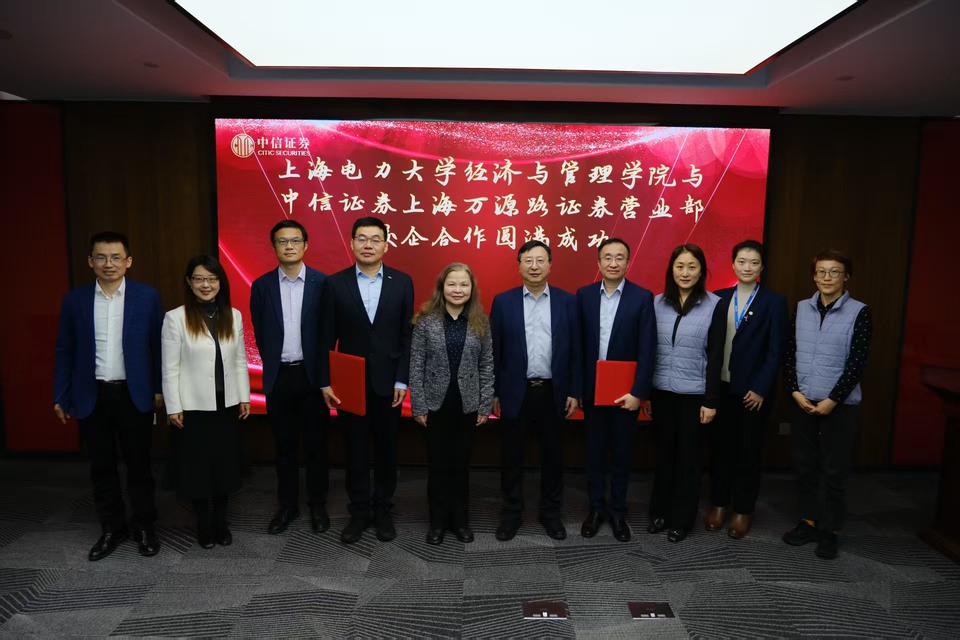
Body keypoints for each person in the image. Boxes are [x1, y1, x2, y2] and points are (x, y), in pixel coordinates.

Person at [54, 231, 164, 561]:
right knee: (101, 467)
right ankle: (112, 528)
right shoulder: (75, 300)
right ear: (91, 262)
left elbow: (159, 347)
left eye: (116, 257)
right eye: (101, 257)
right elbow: (65, 350)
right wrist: (61, 395)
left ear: (128, 261)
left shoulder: (147, 297)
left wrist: (160, 389)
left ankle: (144, 526)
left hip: (134, 395)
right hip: (92, 395)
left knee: (140, 466)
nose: (109, 264)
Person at [320, 217, 414, 545]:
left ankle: (383, 511)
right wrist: (326, 381)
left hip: (389, 384)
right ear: (351, 244)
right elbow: (326, 337)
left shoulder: (403, 282)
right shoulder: (335, 284)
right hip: (349, 385)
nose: (368, 245)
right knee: (356, 450)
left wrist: (402, 380)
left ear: (386, 245)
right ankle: (359, 512)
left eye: (375, 239)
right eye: (362, 238)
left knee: (387, 450)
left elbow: (406, 336)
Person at [782, 249, 872, 560]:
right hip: (803, 401)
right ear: (814, 276)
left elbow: (857, 362)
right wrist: (794, 391)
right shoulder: (801, 308)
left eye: (834, 272)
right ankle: (807, 521)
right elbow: (789, 352)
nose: (827, 277)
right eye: (821, 271)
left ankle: (831, 531)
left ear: (846, 277)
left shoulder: (860, 312)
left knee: (835, 470)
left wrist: (833, 400)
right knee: (805, 465)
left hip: (839, 405)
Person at [490, 240, 580, 541]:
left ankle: (550, 513)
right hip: (515, 391)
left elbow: (576, 351)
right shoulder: (503, 302)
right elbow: (494, 351)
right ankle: (511, 513)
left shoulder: (568, 302)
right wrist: (494, 392)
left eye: (540, 260)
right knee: (511, 456)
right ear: (519, 266)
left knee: (553, 457)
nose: (534, 266)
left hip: (554, 391)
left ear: (550, 265)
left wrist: (574, 391)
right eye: (528, 261)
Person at [161, 255, 251, 548]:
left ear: (220, 282)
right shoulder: (175, 318)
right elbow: (169, 367)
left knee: (224, 467)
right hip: (193, 408)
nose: (206, 285)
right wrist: (173, 406)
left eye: (212, 279)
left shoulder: (233, 315)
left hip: (227, 405)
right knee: (198, 470)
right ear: (189, 282)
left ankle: (221, 521)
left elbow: (240, 360)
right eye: (199, 279)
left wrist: (244, 396)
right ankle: (203, 523)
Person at [250, 220, 330, 535]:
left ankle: (318, 505)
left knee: (316, 446)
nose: (289, 246)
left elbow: (328, 333)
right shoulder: (262, 286)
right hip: (279, 377)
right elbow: (260, 331)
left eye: (295, 241)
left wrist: (324, 377)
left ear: (305, 245)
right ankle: (287, 506)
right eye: (282, 241)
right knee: (284, 447)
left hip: (312, 377)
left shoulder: (323, 284)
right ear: (274, 247)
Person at [705, 240, 787, 539]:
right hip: (722, 389)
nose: (747, 267)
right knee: (720, 451)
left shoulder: (773, 302)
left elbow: (776, 350)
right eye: (742, 261)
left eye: (754, 262)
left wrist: (761, 387)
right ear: (733, 264)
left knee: (748, 453)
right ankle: (719, 504)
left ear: (762, 266)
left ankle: (743, 509)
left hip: (753, 393)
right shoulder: (719, 298)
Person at [576, 238, 655, 542]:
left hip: (627, 394)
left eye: (619, 257)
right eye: (607, 257)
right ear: (598, 263)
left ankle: (619, 512)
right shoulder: (584, 295)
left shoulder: (642, 297)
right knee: (594, 455)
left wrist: (639, 392)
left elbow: (648, 349)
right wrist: (578, 390)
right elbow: (578, 347)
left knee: (622, 456)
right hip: (592, 391)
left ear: (627, 262)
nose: (613, 263)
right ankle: (596, 510)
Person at [409, 263, 494, 545]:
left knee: (460, 465)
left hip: (467, 404)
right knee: (438, 465)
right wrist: (418, 405)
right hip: (435, 404)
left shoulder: (481, 321)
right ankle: (437, 522)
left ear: (471, 289)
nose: (458, 290)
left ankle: (460, 521)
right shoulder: (426, 321)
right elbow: (416, 365)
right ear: (442, 287)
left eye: (464, 285)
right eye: (452, 284)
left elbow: (487, 365)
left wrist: (484, 404)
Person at [648, 244, 722, 543]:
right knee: (664, 457)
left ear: (701, 271)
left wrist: (710, 400)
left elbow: (716, 356)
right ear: (671, 270)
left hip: (695, 397)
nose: (685, 272)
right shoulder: (657, 303)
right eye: (680, 266)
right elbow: (649, 350)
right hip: (662, 393)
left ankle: (682, 519)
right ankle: (660, 513)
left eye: (692, 267)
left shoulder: (715, 305)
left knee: (688, 461)